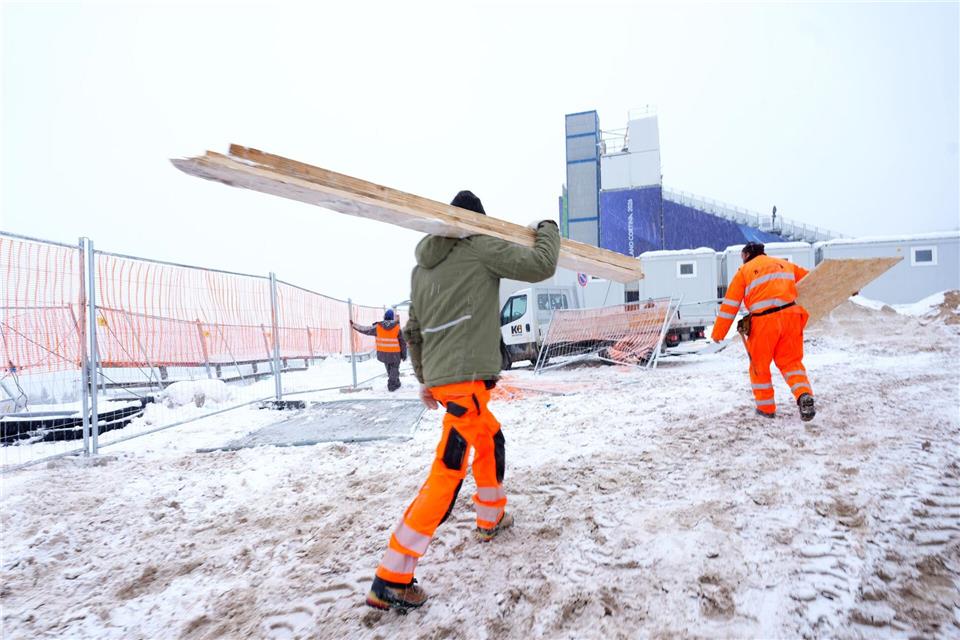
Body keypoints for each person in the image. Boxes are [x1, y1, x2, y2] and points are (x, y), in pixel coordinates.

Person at [365, 190, 560, 612]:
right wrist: (548, 227)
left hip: (450, 384)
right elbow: (542, 265)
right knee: (447, 476)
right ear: (477, 223)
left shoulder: (421, 269)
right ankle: (392, 577)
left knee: (489, 440)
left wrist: (424, 380)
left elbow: (412, 332)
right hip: (466, 383)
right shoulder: (479, 248)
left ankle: (491, 517)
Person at [711, 241, 816, 422]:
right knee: (791, 362)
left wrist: (718, 333)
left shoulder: (744, 272)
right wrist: (849, 288)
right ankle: (803, 394)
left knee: (760, 366)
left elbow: (730, 305)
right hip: (791, 316)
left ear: (746, 255)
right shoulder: (784, 264)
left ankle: (766, 408)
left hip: (764, 322)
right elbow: (814, 280)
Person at [350, 308, 407, 392]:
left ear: (384, 317)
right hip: (395, 354)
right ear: (392, 317)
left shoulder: (378, 327)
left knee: (390, 370)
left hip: (383, 353)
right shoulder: (397, 328)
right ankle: (392, 386)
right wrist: (404, 355)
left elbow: (365, 329)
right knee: (394, 369)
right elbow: (402, 343)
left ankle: (396, 382)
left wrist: (354, 325)